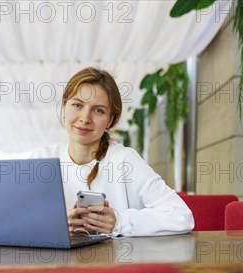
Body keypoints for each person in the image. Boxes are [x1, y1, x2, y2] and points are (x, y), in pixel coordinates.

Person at [31, 67, 194, 236]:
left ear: (110, 120)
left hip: (118, 260)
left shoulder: (125, 160)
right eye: (77, 105)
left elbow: (181, 216)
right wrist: (55, 224)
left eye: (98, 110)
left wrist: (119, 221)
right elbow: (11, 219)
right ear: (65, 107)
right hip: (59, 262)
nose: (85, 118)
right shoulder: (41, 159)